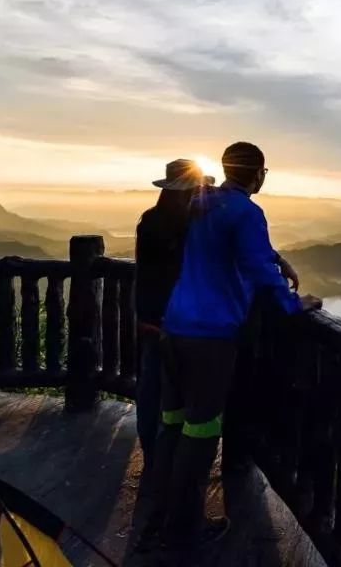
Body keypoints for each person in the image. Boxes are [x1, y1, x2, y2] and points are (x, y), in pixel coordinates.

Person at [152, 142, 321, 558]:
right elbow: (258, 271)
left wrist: (276, 257)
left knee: (172, 424)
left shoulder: (200, 202)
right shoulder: (246, 211)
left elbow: (240, 250)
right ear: (258, 173)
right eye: (264, 172)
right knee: (202, 432)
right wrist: (294, 303)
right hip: (210, 337)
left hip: (173, 327)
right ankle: (182, 531)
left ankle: (160, 514)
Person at [134, 159, 214, 471]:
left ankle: (155, 457)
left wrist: (143, 316)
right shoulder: (192, 226)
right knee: (182, 394)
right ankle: (176, 463)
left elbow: (146, 274)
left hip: (153, 317)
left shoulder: (150, 221)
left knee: (153, 389)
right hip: (184, 321)